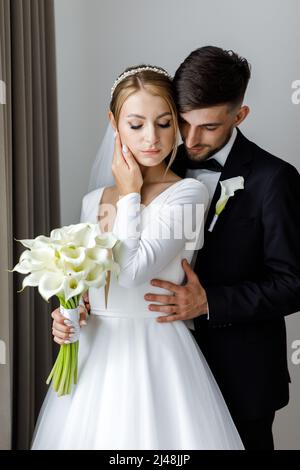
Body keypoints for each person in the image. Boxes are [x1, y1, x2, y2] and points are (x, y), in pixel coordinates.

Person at [31, 65, 244, 450]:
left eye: (164, 124)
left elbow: (130, 272)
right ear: (114, 123)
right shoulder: (92, 201)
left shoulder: (188, 193)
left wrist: (129, 195)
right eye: (136, 124)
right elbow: (89, 284)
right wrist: (69, 312)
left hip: (155, 350)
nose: (152, 138)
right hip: (95, 354)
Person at [142, 47, 300, 450]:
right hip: (161, 371)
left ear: (239, 116)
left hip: (241, 375)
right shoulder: (152, 167)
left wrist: (209, 302)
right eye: (182, 121)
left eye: (209, 127)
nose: (191, 139)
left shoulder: (274, 178)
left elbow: (293, 282)